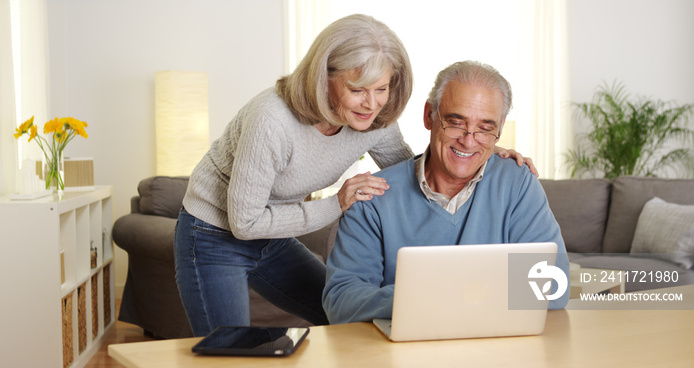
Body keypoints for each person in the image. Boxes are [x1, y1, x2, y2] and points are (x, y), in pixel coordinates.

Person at [174, 15, 535, 337]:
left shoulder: (374, 120)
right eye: (357, 90)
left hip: (274, 231)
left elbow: (414, 171)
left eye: (382, 89)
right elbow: (245, 223)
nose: (372, 103)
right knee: (225, 351)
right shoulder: (271, 121)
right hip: (214, 233)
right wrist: (337, 203)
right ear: (324, 77)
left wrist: (478, 151)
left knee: (341, 317)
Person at [322, 60, 570, 324]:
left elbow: (552, 285)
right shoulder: (373, 196)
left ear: (500, 127)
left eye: (485, 128)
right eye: (455, 122)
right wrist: (435, 297)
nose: (468, 140)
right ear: (429, 115)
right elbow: (342, 301)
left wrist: (438, 296)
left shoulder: (518, 183)